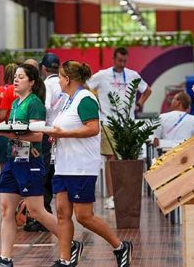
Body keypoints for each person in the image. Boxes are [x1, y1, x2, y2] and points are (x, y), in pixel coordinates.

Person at [0, 64, 81, 267]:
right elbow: (16, 131)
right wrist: (6, 130)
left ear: (31, 82)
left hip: (30, 161)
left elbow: (38, 135)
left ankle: (70, 243)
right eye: (15, 77)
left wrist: (7, 133)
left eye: (21, 77)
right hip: (13, 160)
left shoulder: (35, 103)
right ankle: (5, 259)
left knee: (36, 210)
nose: (16, 80)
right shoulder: (15, 103)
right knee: (6, 209)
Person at [48, 60, 133, 267]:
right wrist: (56, 136)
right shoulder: (67, 100)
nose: (58, 81)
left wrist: (64, 134)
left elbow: (93, 128)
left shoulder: (86, 98)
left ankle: (120, 246)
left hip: (81, 167)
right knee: (62, 213)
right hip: (63, 166)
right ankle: (64, 260)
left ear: (68, 79)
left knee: (84, 216)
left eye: (60, 77)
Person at [87, 47, 151, 209]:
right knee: (111, 160)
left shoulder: (132, 75)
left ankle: (126, 194)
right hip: (108, 122)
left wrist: (139, 104)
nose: (122, 64)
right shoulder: (102, 75)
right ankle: (111, 196)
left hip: (127, 124)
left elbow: (147, 90)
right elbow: (87, 87)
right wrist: (96, 103)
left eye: (125, 61)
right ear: (113, 59)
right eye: (119, 61)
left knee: (128, 160)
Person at [22, 52, 67, 233]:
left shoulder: (47, 85)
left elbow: (45, 107)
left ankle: (43, 216)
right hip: (63, 133)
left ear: (43, 68)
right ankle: (54, 215)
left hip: (48, 133)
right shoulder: (64, 83)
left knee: (44, 173)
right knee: (55, 173)